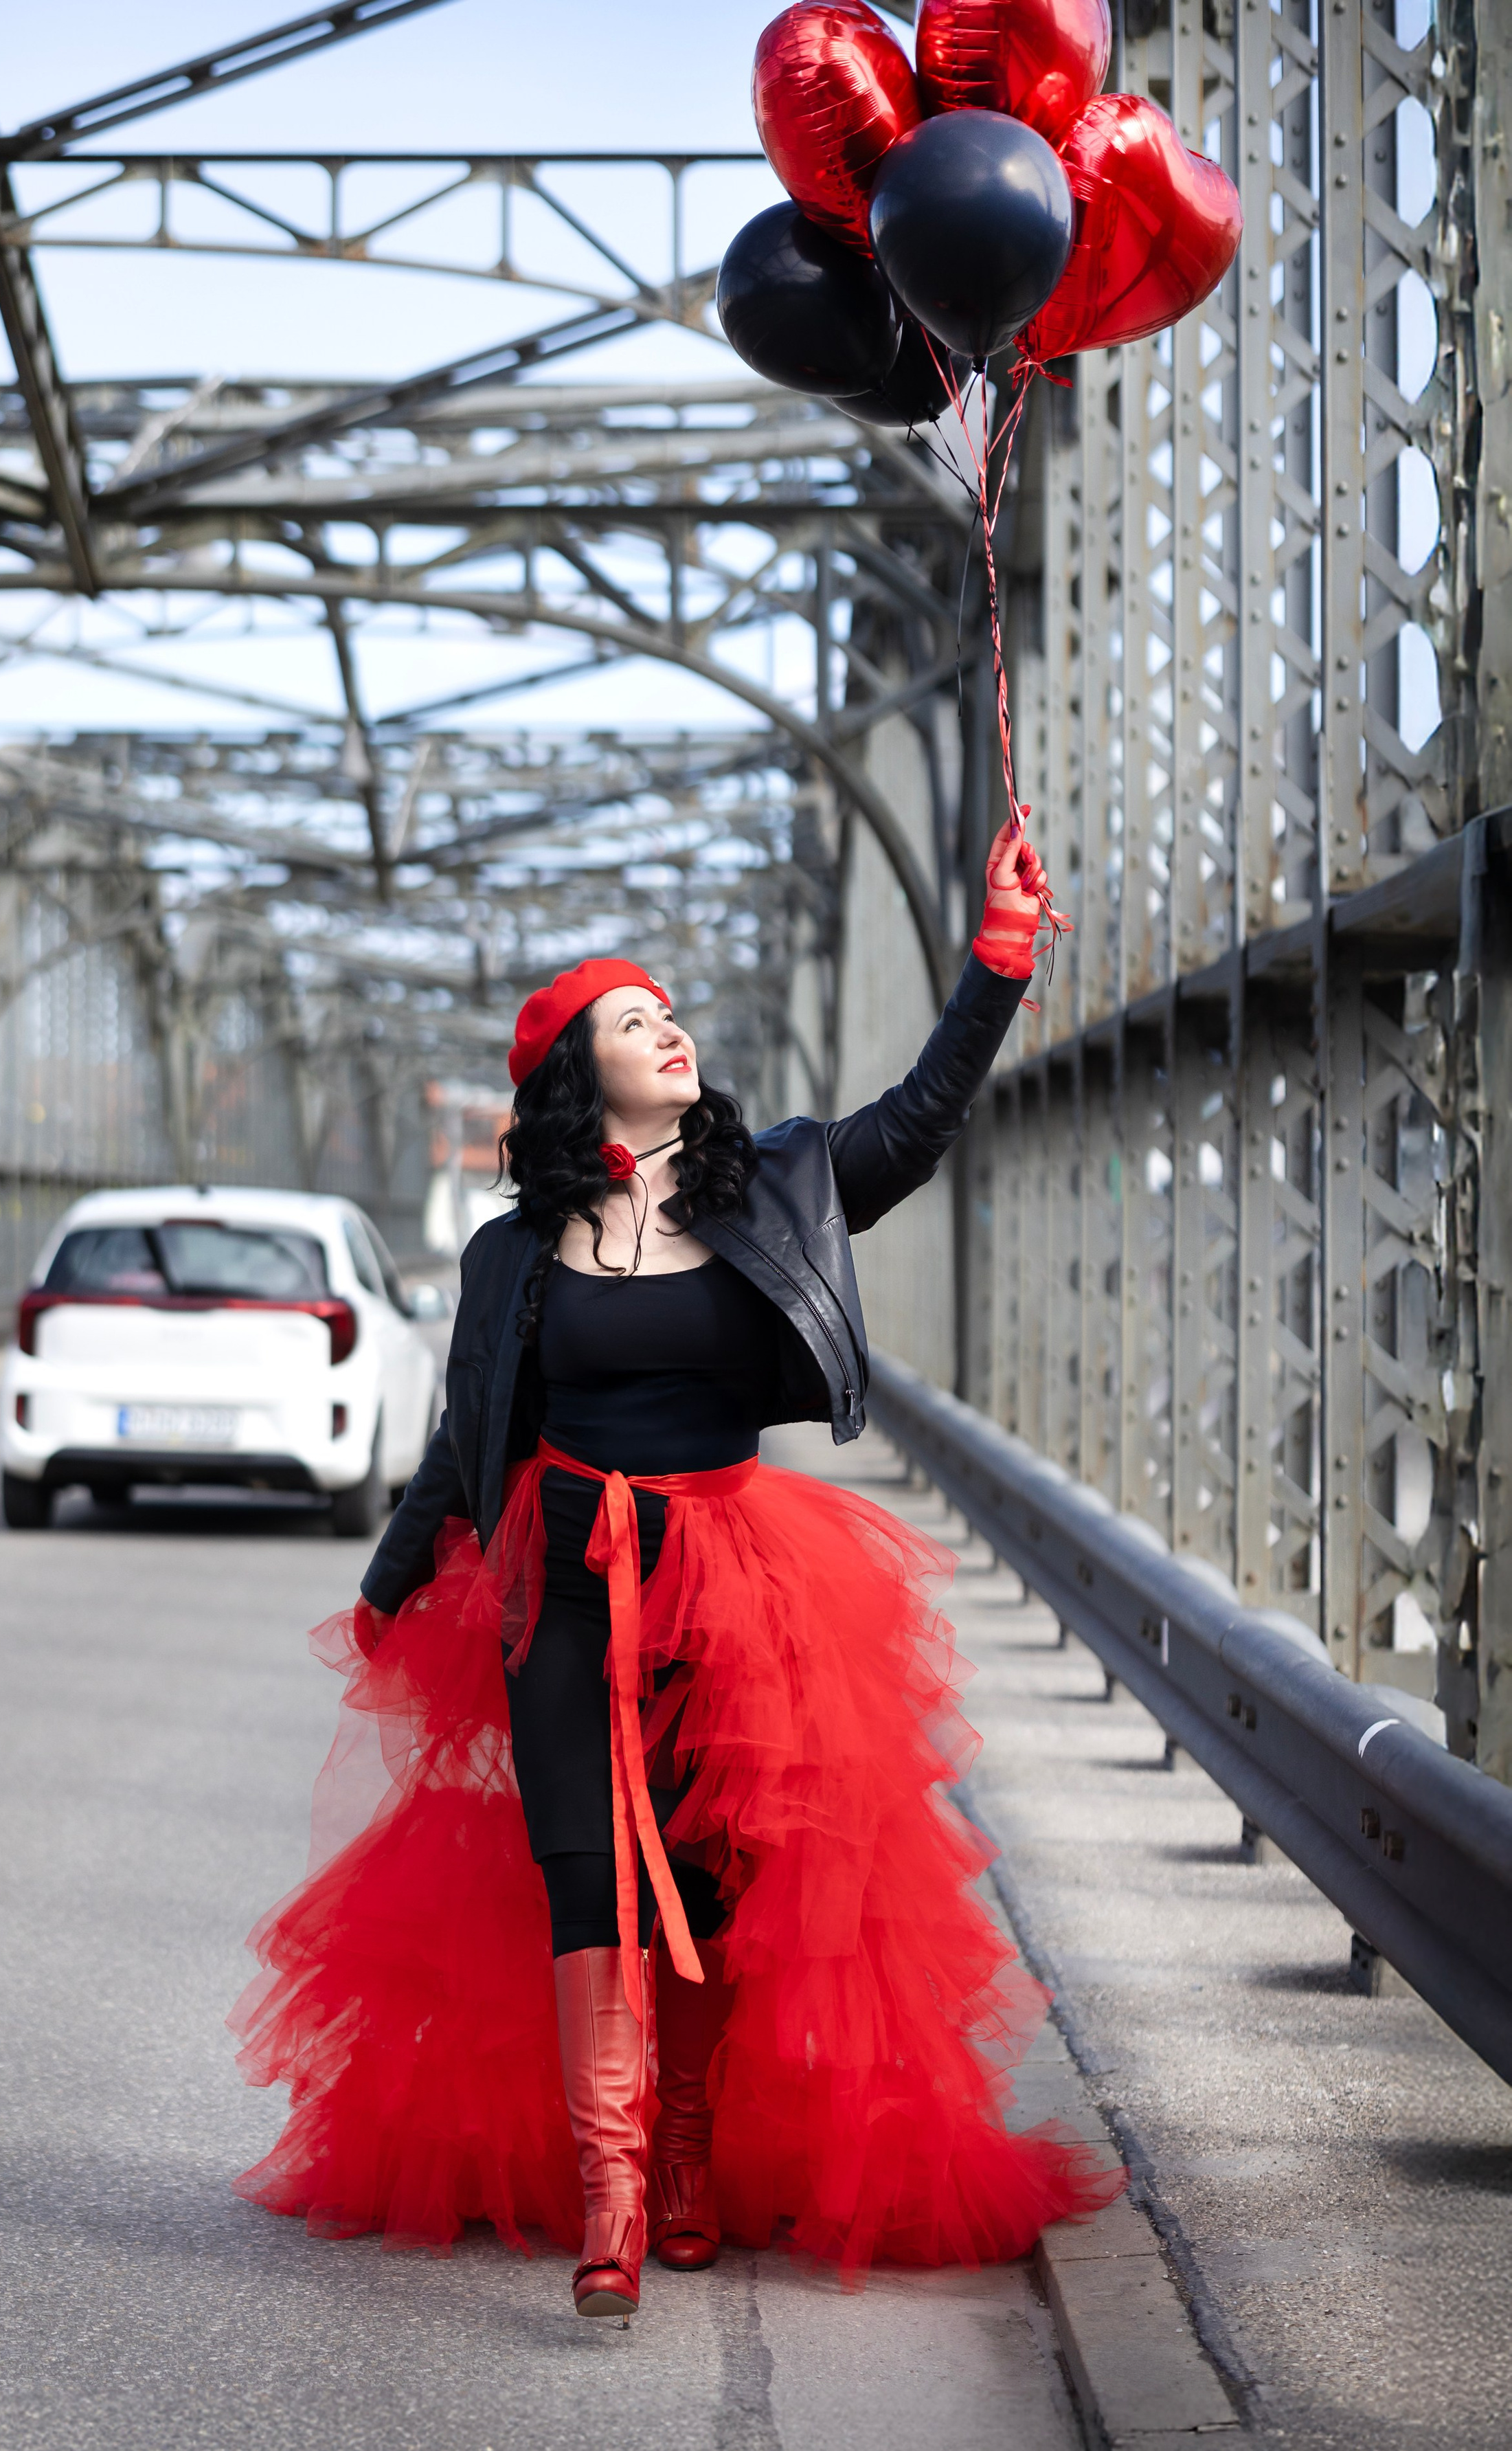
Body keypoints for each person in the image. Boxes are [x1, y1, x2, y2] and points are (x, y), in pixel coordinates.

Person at [230, 818, 1115, 2316]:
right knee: (585, 1884)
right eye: (636, 1020)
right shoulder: (513, 1255)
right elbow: (466, 1440)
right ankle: (612, 2199)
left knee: (700, 1885)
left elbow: (920, 1116)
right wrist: (387, 1586)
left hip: (736, 1576)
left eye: (671, 1010)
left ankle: (691, 2155)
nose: (672, 1028)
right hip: (562, 1576)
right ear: (581, 1074)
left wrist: (997, 958)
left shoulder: (775, 1183)